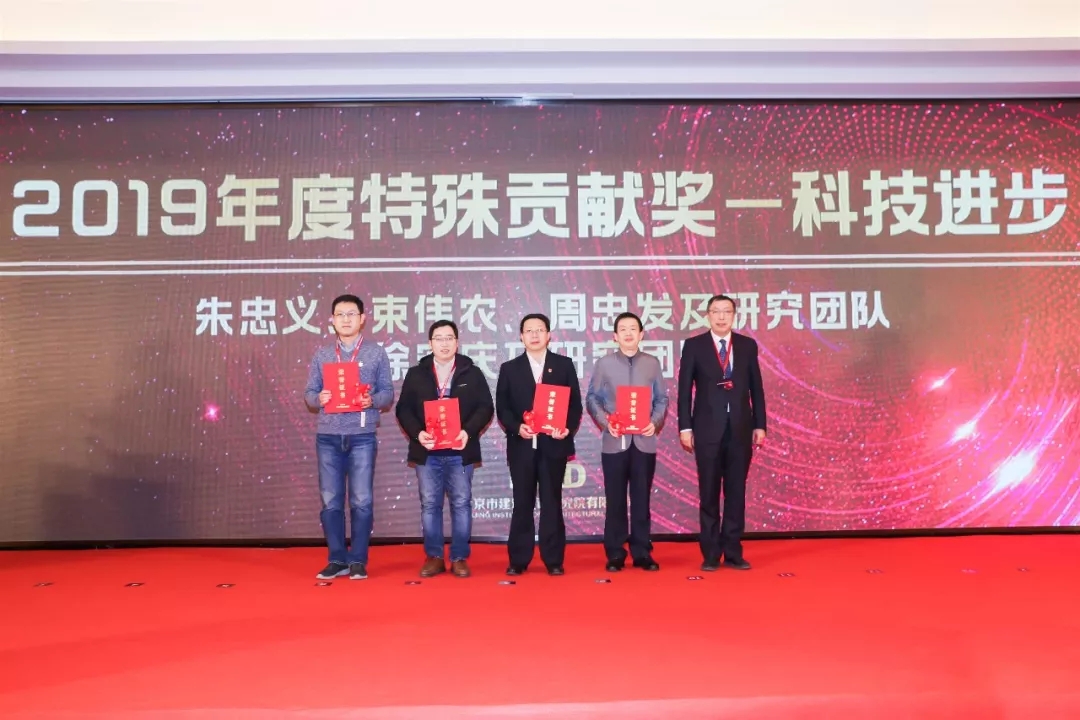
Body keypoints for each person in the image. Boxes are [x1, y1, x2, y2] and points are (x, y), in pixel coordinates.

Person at [303, 294, 394, 581]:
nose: (345, 319)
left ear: (362, 319)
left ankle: (358, 560)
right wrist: (318, 398)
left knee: (361, 501)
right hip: (328, 436)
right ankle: (336, 559)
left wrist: (372, 400)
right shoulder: (322, 355)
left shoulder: (376, 353)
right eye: (340, 314)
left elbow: (388, 393)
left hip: (362, 436)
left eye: (351, 314)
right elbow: (309, 394)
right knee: (331, 501)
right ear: (332, 320)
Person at [395, 320, 494, 578]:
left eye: (449, 338)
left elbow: (486, 407)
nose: (444, 343)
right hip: (428, 452)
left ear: (457, 342)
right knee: (430, 504)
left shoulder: (471, 373)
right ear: (430, 343)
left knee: (461, 503)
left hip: (460, 450)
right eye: (439, 338)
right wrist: (418, 434)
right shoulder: (416, 374)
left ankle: (459, 557)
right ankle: (435, 556)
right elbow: (403, 409)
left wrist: (467, 432)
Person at [677, 294, 766, 572]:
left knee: (736, 493)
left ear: (734, 315)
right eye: (716, 311)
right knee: (709, 492)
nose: (721, 316)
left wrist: (760, 425)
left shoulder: (747, 345)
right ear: (708, 315)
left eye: (727, 311)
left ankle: (734, 551)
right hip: (706, 430)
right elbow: (684, 391)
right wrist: (685, 427)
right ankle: (711, 553)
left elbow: (756, 388)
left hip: (740, 428)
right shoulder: (694, 346)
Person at [495, 313, 583, 576]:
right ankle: (518, 559)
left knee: (552, 501)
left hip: (553, 445)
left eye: (540, 330)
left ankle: (553, 559)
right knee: (522, 502)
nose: (534, 335)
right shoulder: (510, 368)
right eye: (529, 331)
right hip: (522, 446)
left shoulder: (563, 365)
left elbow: (575, 405)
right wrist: (517, 427)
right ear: (521, 337)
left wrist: (566, 428)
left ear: (549, 335)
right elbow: (503, 408)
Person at [586, 312, 669, 572]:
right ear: (615, 336)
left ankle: (642, 552)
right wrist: (606, 422)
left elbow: (662, 399)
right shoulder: (604, 364)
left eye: (633, 328)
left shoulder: (652, 363)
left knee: (642, 499)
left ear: (641, 334)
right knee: (615, 500)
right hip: (615, 441)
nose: (629, 333)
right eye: (623, 329)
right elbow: (592, 398)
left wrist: (654, 422)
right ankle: (615, 552)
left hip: (644, 441)